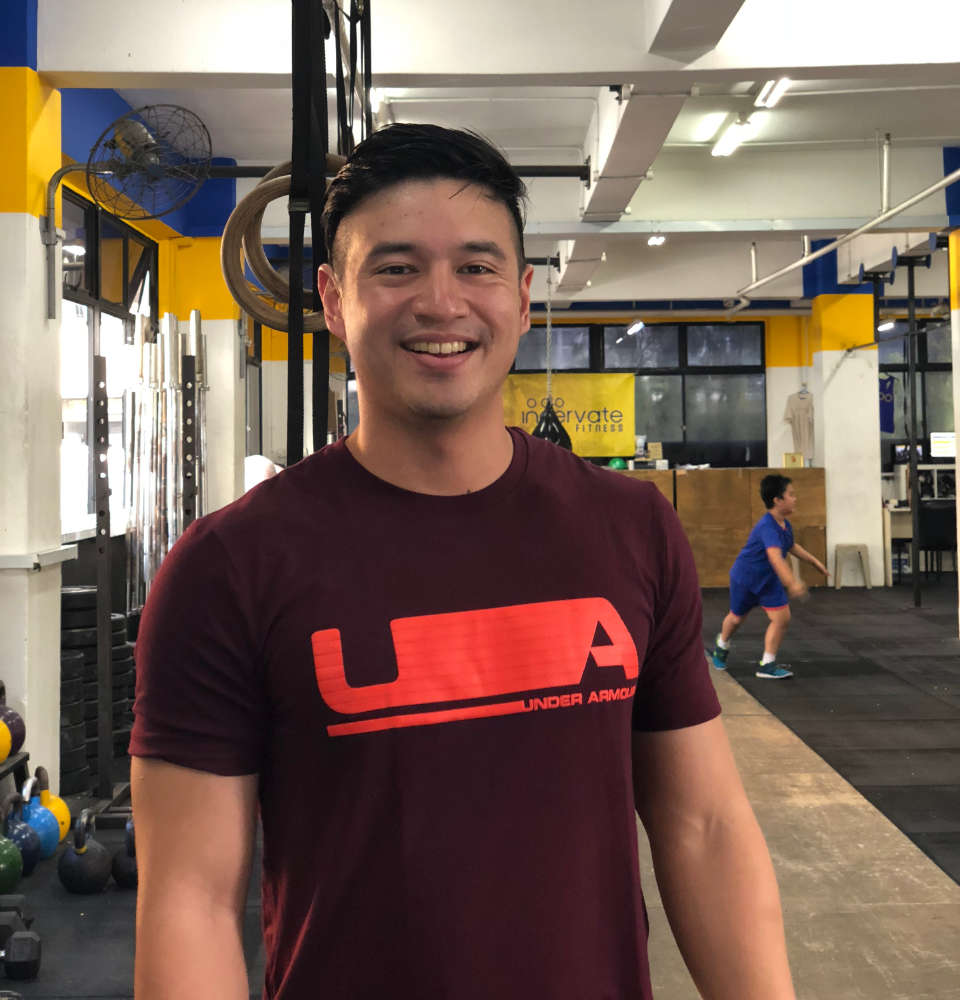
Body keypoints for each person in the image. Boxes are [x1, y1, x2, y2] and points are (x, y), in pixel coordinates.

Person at [130, 124, 795, 1000]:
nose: (441, 304)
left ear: (521, 298)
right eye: (396, 268)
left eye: (476, 267)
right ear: (333, 299)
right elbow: (190, 900)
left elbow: (703, 826)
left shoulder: (631, 528)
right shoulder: (226, 569)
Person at [710, 474, 829, 679]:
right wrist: (791, 583)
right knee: (736, 619)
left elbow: (791, 546)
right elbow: (775, 557)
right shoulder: (767, 527)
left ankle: (767, 664)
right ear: (777, 500)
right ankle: (722, 644)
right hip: (745, 579)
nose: (795, 499)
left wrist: (814, 561)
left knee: (782, 618)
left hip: (768, 581)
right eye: (791, 495)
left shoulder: (785, 525)